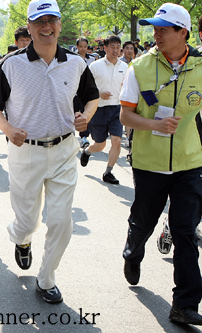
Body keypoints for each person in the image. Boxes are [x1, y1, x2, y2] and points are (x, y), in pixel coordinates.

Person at [0, 0, 99, 304]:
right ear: (28, 26)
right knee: (27, 221)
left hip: (64, 150)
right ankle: (21, 239)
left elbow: (92, 98)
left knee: (62, 221)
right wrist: (9, 131)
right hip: (26, 152)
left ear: (60, 25)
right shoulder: (11, 64)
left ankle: (46, 278)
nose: (46, 27)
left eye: (51, 20)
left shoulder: (76, 63)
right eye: (39, 21)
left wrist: (86, 116)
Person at [120, 3, 202, 326]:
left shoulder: (200, 66)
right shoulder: (138, 67)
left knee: (185, 232)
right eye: (153, 28)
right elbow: (125, 115)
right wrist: (154, 125)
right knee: (144, 221)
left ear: (184, 33)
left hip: (189, 163)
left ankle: (184, 303)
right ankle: (133, 249)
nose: (155, 35)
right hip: (148, 162)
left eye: (163, 29)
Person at [80, 35, 128, 184]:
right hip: (98, 109)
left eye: (118, 47)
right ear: (105, 48)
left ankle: (108, 172)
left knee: (117, 141)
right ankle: (87, 151)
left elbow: (127, 87)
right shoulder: (95, 66)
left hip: (116, 109)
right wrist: (99, 94)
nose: (116, 50)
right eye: (112, 47)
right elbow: (84, 88)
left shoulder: (125, 67)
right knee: (100, 145)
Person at [74, 37, 95, 149]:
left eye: (85, 46)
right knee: (72, 113)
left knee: (84, 113)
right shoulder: (72, 59)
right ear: (77, 47)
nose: (83, 49)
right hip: (74, 92)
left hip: (86, 92)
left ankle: (84, 137)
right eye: (81, 46)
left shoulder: (92, 59)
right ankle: (71, 135)